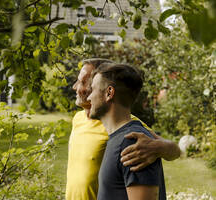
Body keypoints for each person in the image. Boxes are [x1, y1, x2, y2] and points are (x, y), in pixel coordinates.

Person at [66, 58, 180, 200]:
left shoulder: (131, 137)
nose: (75, 87)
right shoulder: (78, 120)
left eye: (84, 83)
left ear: (109, 92)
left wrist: (158, 147)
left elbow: (174, 150)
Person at [87, 63, 166, 200]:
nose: (88, 98)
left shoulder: (132, 142)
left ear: (109, 93)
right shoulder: (119, 138)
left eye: (93, 90)